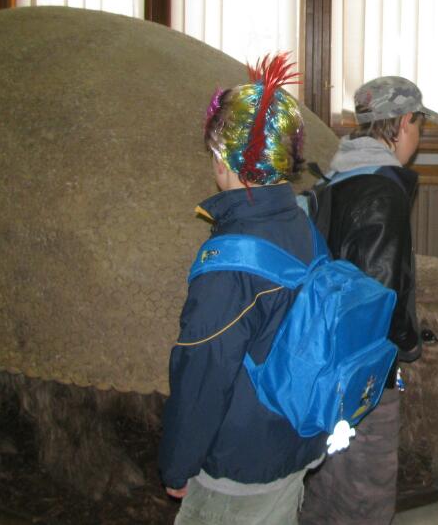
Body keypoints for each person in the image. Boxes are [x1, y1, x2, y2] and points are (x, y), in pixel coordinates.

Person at [159, 54, 327, 524]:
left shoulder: (230, 265)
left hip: (239, 465)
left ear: (223, 158)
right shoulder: (302, 224)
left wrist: (177, 463)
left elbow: (202, 373)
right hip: (295, 436)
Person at [299, 76, 438, 525]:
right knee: (367, 488)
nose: (418, 138)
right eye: (419, 126)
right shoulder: (383, 191)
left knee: (325, 481)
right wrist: (407, 346)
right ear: (404, 121)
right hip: (365, 373)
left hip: (323, 361)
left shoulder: (335, 178)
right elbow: (381, 293)